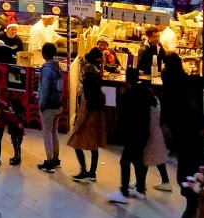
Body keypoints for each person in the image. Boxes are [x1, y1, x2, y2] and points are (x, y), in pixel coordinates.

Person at [107, 67, 152, 204]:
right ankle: (140, 188)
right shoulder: (145, 92)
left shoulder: (127, 96)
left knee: (125, 161)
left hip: (132, 133)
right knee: (138, 160)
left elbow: (123, 117)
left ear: (127, 79)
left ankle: (124, 192)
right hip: (143, 131)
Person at [68, 48, 107, 183]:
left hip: (89, 113)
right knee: (93, 145)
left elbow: (88, 98)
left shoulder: (89, 75)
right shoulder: (95, 73)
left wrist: (80, 119)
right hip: (96, 112)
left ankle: (84, 170)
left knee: (76, 142)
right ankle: (92, 172)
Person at [36, 42, 64, 173]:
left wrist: (41, 105)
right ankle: (56, 159)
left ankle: (49, 162)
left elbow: (45, 89)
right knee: (54, 132)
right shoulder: (58, 67)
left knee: (47, 134)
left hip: (48, 107)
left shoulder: (46, 69)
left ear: (44, 54)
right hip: (57, 104)